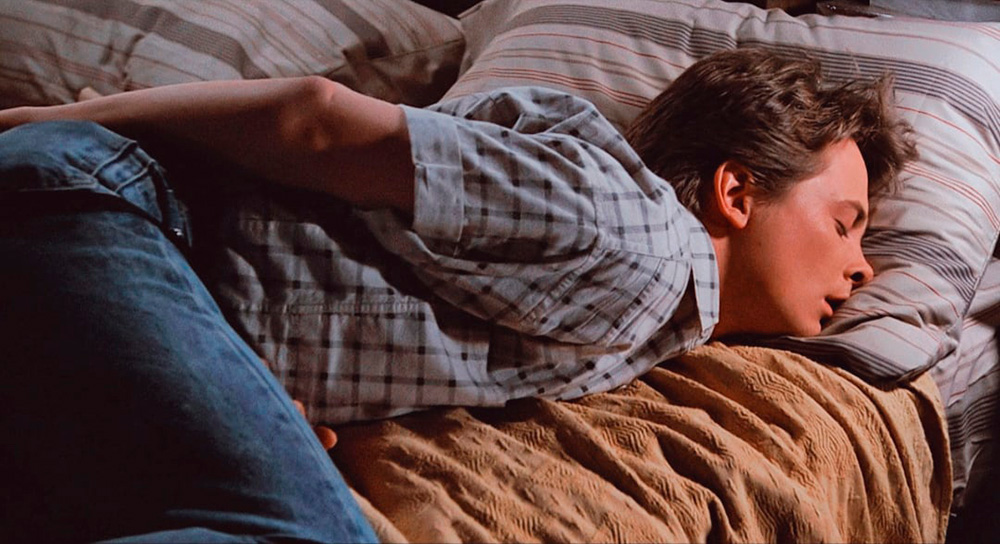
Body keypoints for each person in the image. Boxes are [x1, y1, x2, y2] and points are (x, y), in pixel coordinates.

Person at [0, 48, 916, 541]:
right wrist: (40, 123)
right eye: (845, 224)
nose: (864, 269)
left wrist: (250, 393)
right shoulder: (635, 238)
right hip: (104, 202)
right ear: (736, 193)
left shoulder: (650, 318)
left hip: (129, 260)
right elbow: (314, 121)